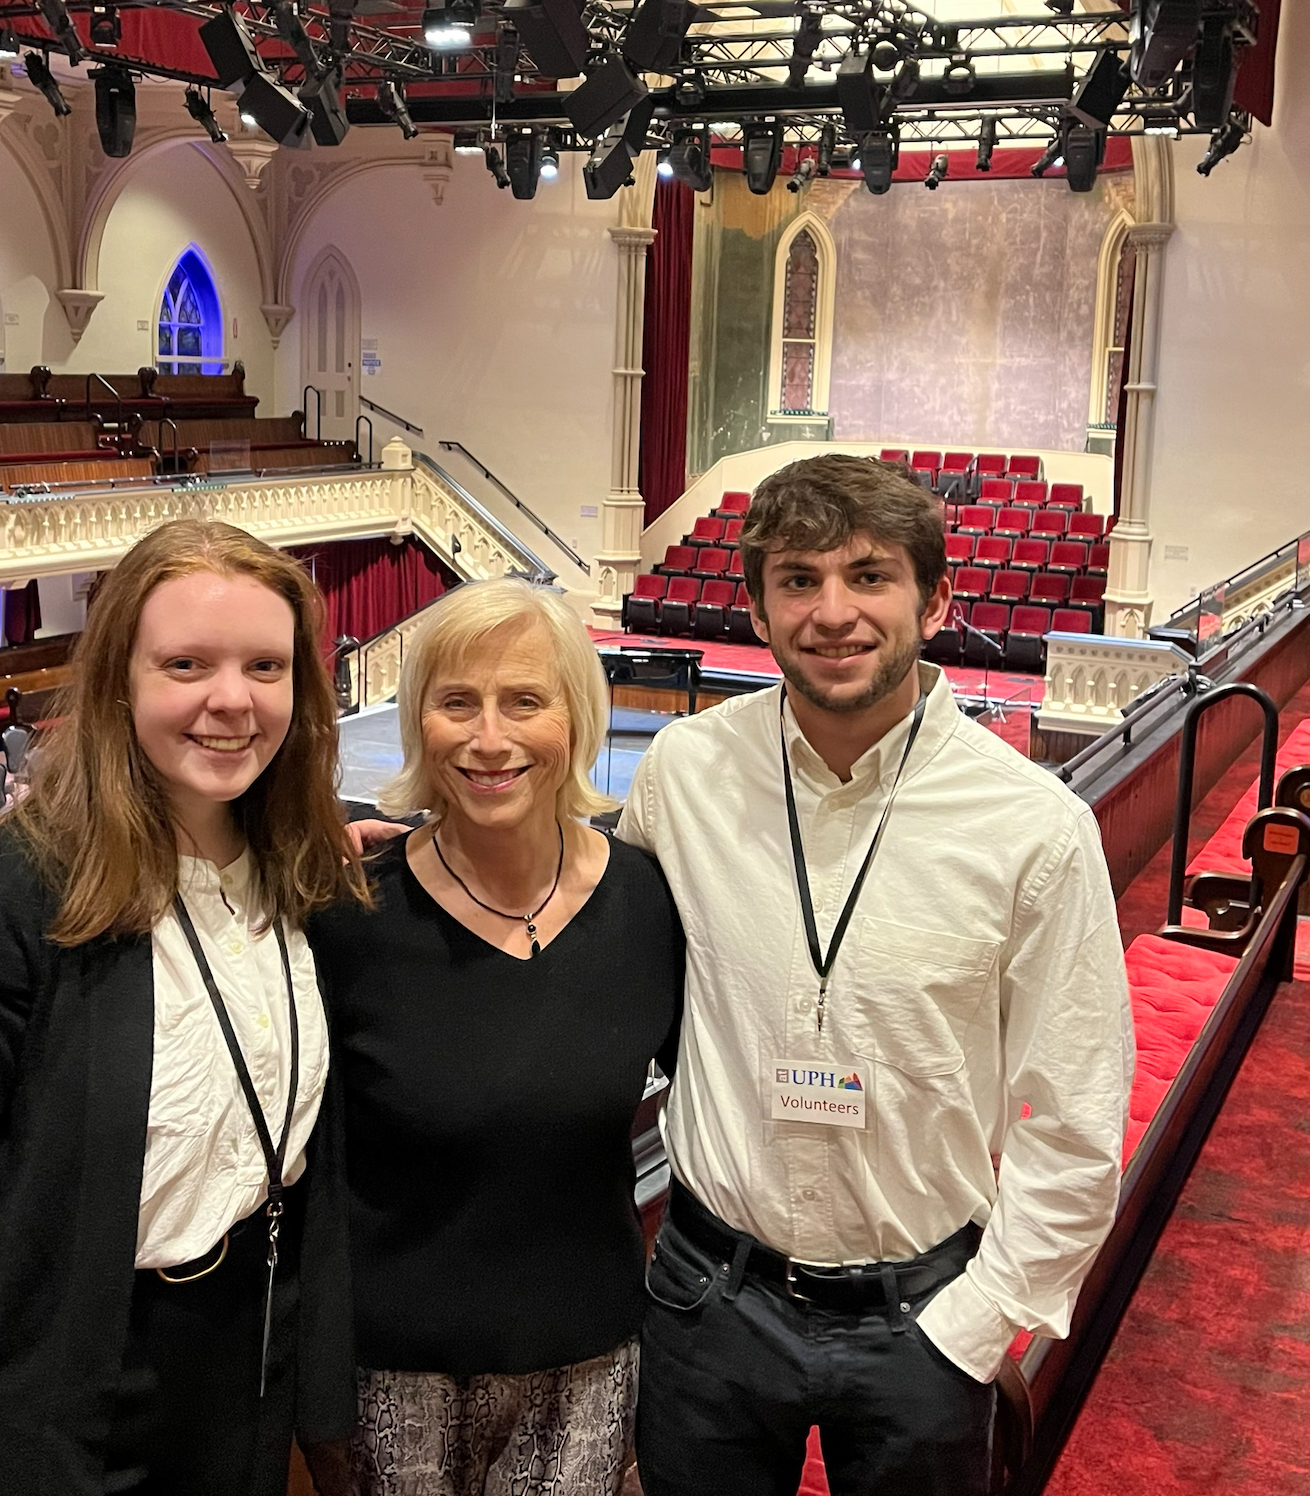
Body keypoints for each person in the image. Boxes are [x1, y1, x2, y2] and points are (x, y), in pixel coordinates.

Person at [620, 455, 1134, 1496]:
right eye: (797, 580)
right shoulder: (683, 773)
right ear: (756, 610)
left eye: (868, 575)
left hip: (921, 1317)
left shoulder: (1031, 826)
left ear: (934, 598)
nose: (832, 612)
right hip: (705, 1297)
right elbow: (596, 947)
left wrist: (982, 1318)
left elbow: (1068, 1110)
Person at [0, 519, 367, 1496]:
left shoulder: (302, 877)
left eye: (265, 665)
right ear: (117, 682)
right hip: (53, 1393)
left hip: (238, 1374)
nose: (232, 698)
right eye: (186, 662)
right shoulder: (2, 893)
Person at [307, 579, 684, 1496]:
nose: (488, 739)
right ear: (417, 722)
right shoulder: (346, 913)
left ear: (577, 718)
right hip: (388, 1371)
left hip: (587, 1361)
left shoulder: (647, 903)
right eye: (456, 703)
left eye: (525, 701)